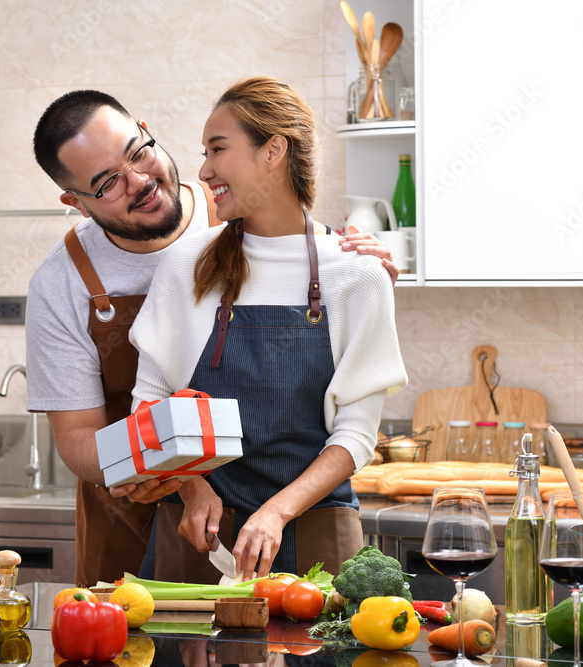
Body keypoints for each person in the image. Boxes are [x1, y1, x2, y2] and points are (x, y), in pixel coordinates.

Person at [28, 90, 398, 586]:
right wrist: (167, 474)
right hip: (163, 513)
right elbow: (85, 431)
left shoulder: (339, 265)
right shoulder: (78, 279)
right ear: (75, 202)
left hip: (310, 522)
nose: (140, 181)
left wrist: (364, 277)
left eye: (138, 153)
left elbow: (286, 240)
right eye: (108, 183)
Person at [129, 77, 408, 582]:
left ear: (273, 150)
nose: (204, 170)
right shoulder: (183, 266)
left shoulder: (357, 274)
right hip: (198, 536)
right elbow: (149, 401)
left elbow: (357, 434)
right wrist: (191, 487)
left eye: (218, 149)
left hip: (317, 535)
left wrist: (276, 512)